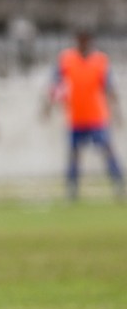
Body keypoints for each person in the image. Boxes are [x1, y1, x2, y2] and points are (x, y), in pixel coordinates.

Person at [45, 28, 124, 200]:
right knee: (74, 153)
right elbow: (54, 84)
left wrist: (117, 113)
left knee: (107, 149)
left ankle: (119, 183)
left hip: (97, 115)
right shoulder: (66, 59)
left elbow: (110, 88)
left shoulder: (100, 61)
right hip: (76, 116)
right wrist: (48, 107)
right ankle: (72, 189)